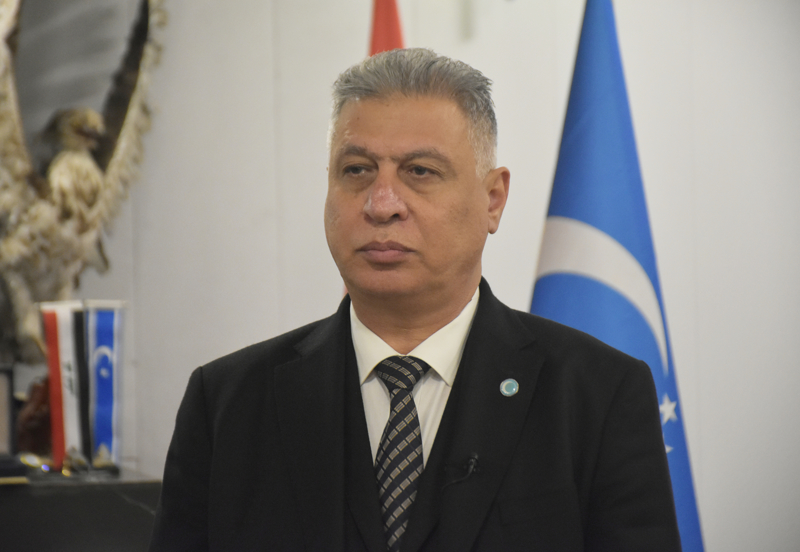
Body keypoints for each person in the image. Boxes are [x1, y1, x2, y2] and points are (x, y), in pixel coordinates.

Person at [149, 48, 681, 552]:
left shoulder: (598, 396)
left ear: (493, 200)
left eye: (420, 172)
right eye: (356, 170)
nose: (382, 204)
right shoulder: (226, 405)